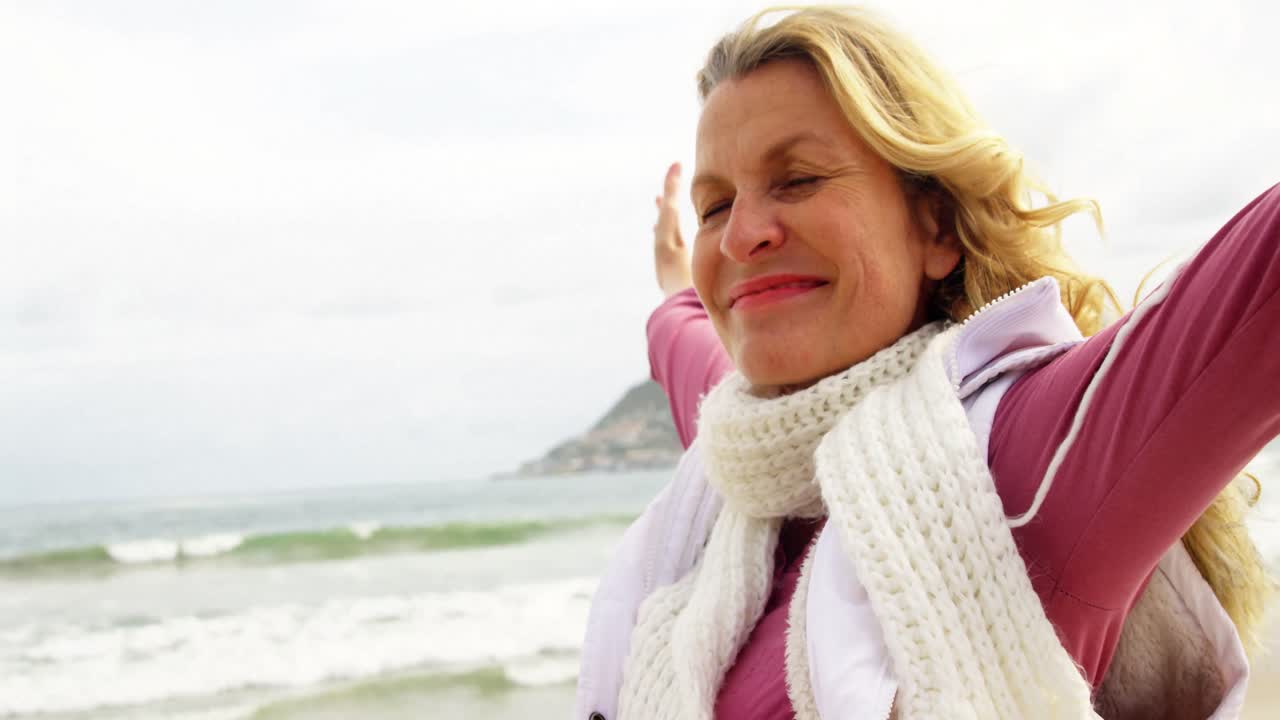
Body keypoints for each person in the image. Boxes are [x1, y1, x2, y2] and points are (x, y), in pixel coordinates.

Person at [575, 6, 1278, 720]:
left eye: (798, 180)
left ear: (935, 226)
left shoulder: (1021, 455)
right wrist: (674, 297)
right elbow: (688, 352)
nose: (742, 237)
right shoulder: (748, 463)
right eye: (717, 205)